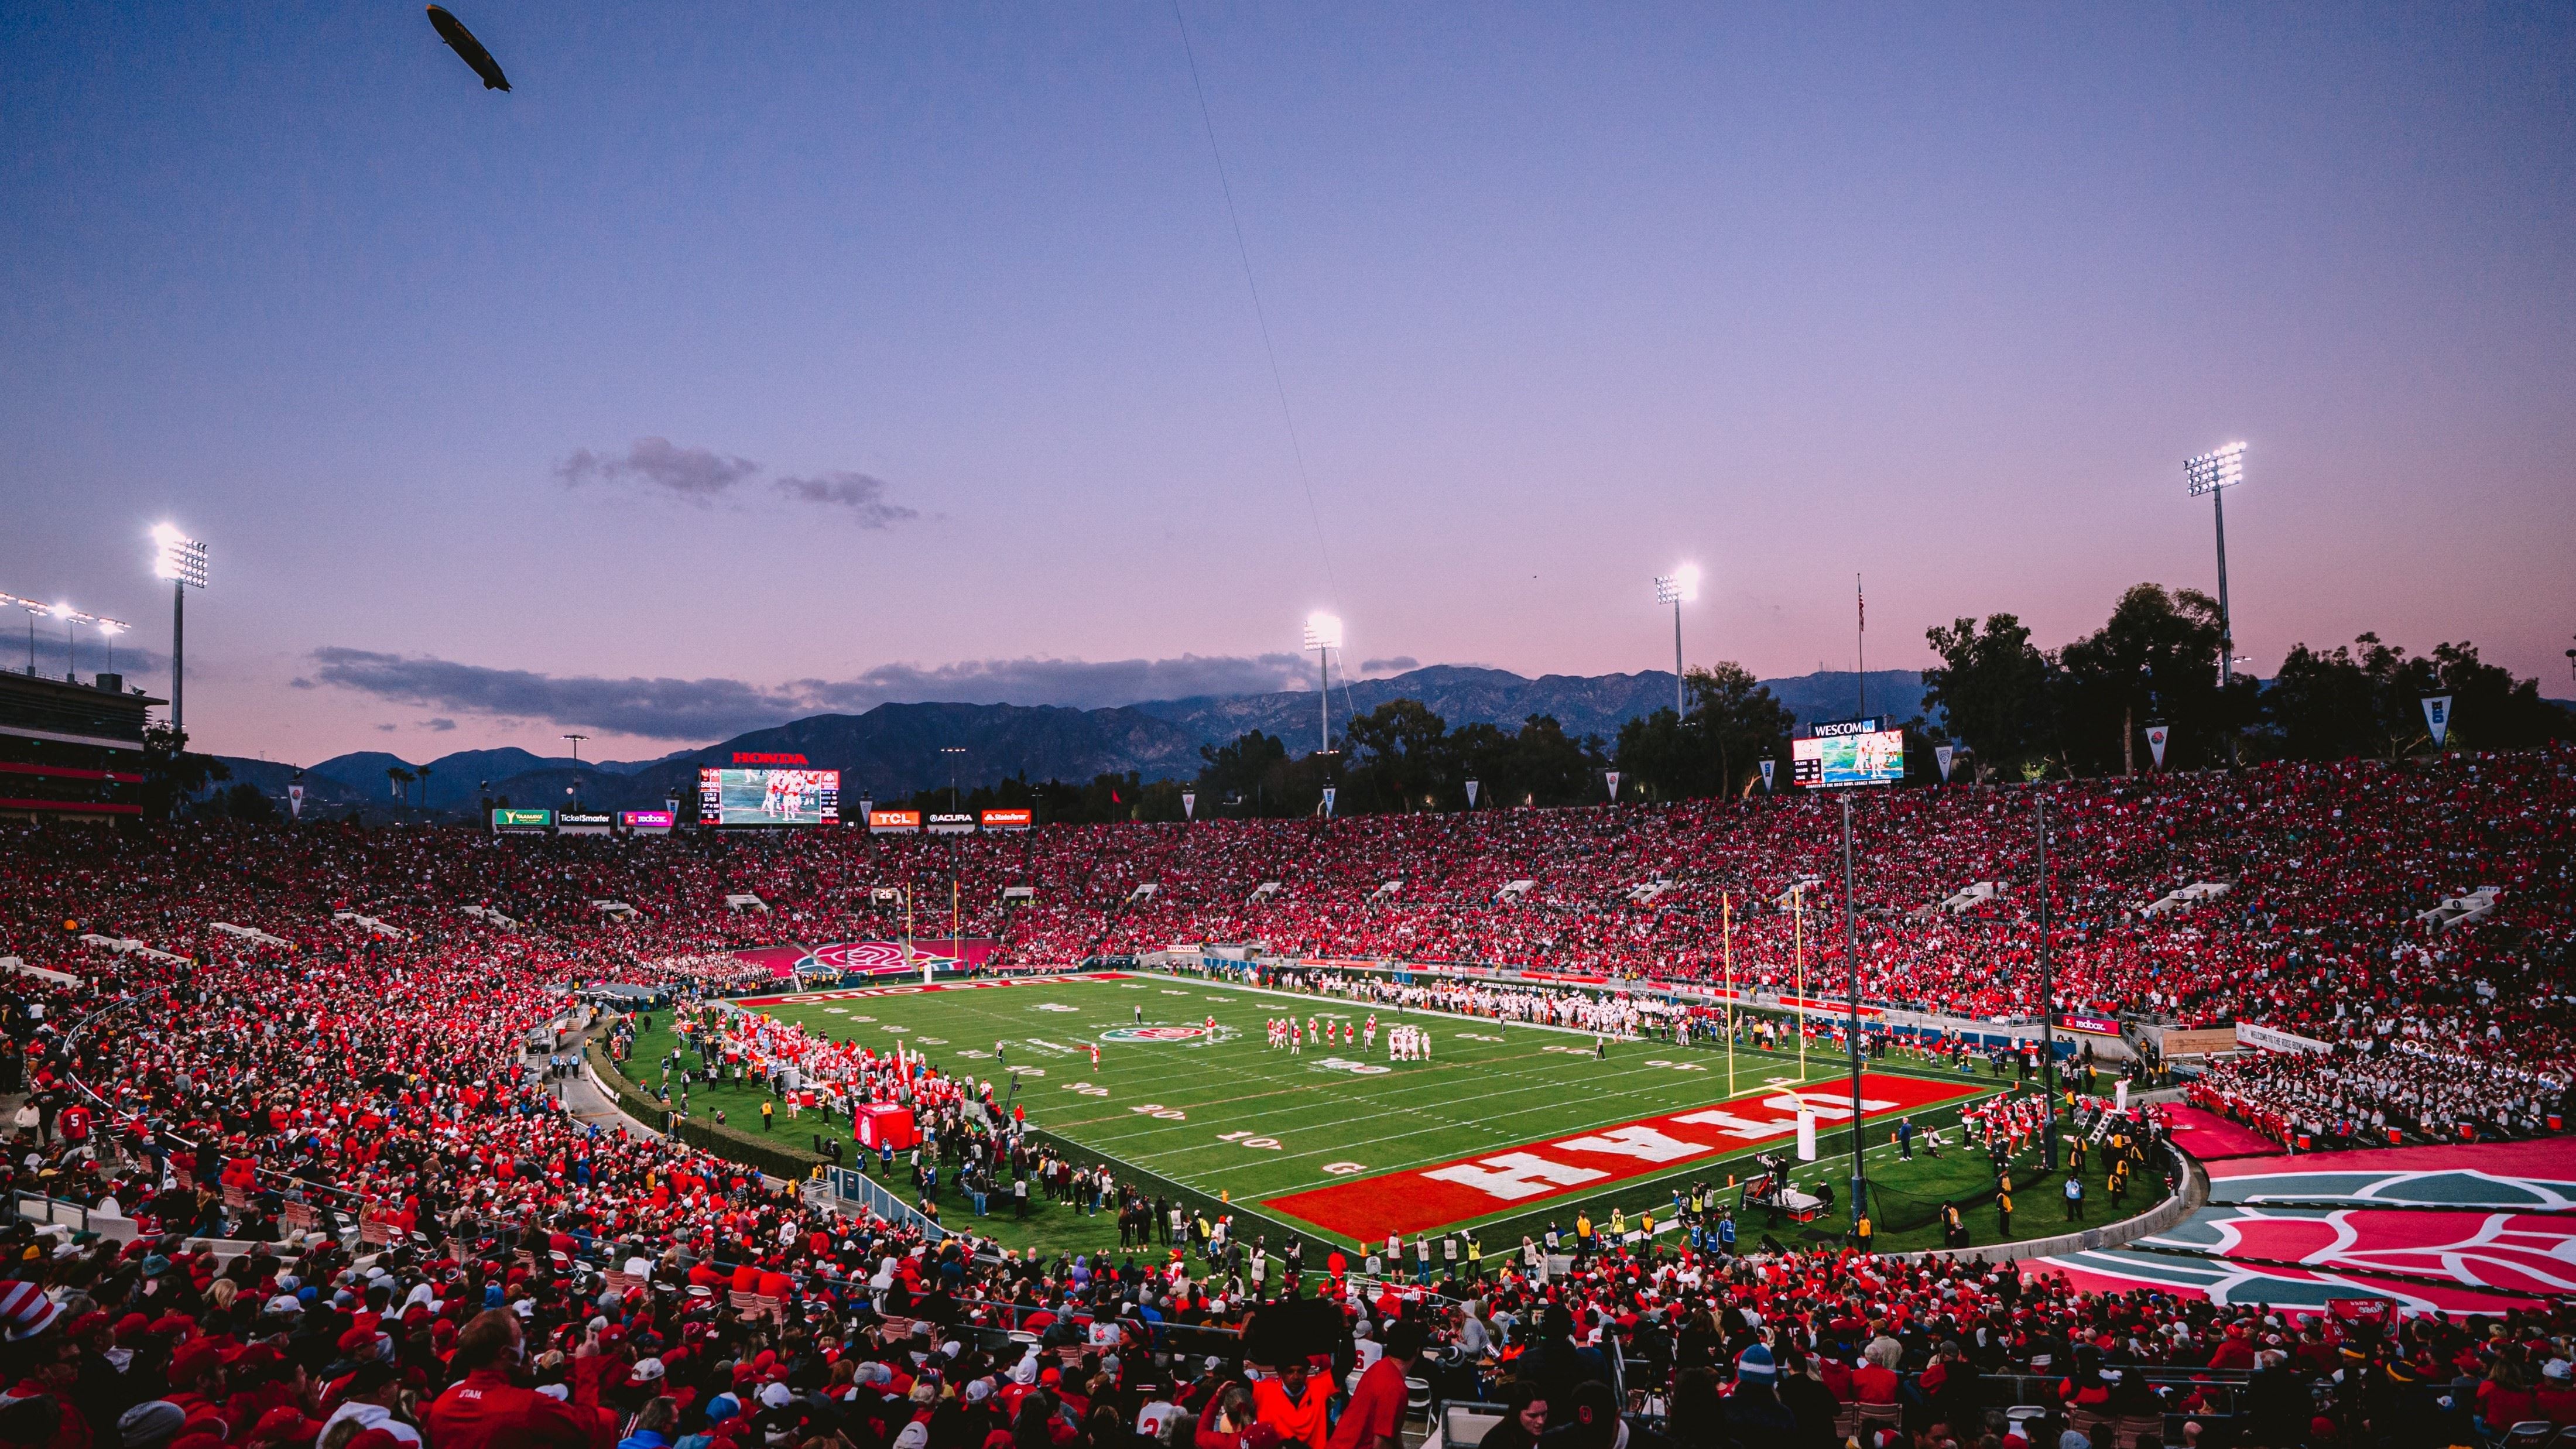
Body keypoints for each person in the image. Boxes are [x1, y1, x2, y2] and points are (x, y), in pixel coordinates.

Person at [422, 1308, 614, 1448]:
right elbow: (587, 1427)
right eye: (519, 1339)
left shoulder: (442, 1404)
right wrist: (586, 1363)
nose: (524, 1344)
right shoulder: (528, 1406)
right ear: (505, 1353)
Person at [1330, 1318, 1424, 1449]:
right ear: (1417, 1351)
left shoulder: (1380, 1369)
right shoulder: (1394, 1388)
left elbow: (1392, 1431)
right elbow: (1381, 1444)